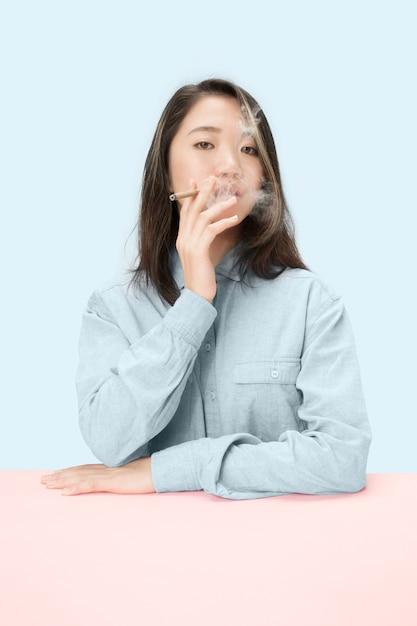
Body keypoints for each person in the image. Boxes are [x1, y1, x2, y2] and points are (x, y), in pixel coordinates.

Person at [41, 78, 371, 499]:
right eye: (205, 145)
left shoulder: (311, 303)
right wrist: (194, 303)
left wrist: (171, 469)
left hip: (282, 550)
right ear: (165, 171)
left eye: (249, 150)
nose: (231, 165)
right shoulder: (112, 307)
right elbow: (108, 441)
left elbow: (342, 459)